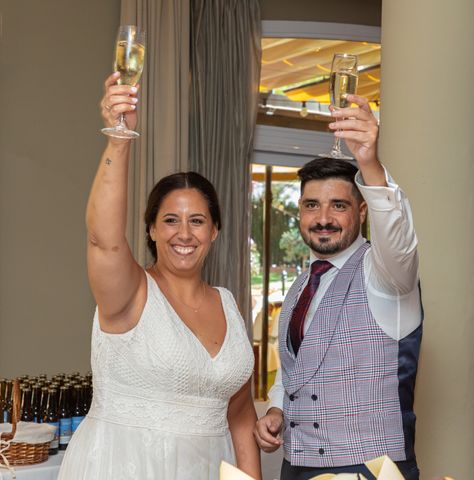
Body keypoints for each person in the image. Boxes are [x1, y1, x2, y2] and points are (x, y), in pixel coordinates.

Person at [57, 72, 260, 480]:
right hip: (124, 466)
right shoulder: (130, 295)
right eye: (170, 220)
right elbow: (102, 240)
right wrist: (120, 139)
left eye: (197, 221)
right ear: (150, 229)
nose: (184, 233)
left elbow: (239, 417)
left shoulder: (230, 304)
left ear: (214, 231)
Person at [254, 94, 422, 480]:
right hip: (296, 465)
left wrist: (370, 164)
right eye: (312, 205)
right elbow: (297, 371)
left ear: (362, 210)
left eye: (339, 206)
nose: (323, 218)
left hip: (369, 467)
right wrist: (277, 409)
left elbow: (398, 241)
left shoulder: (386, 276)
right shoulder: (302, 284)